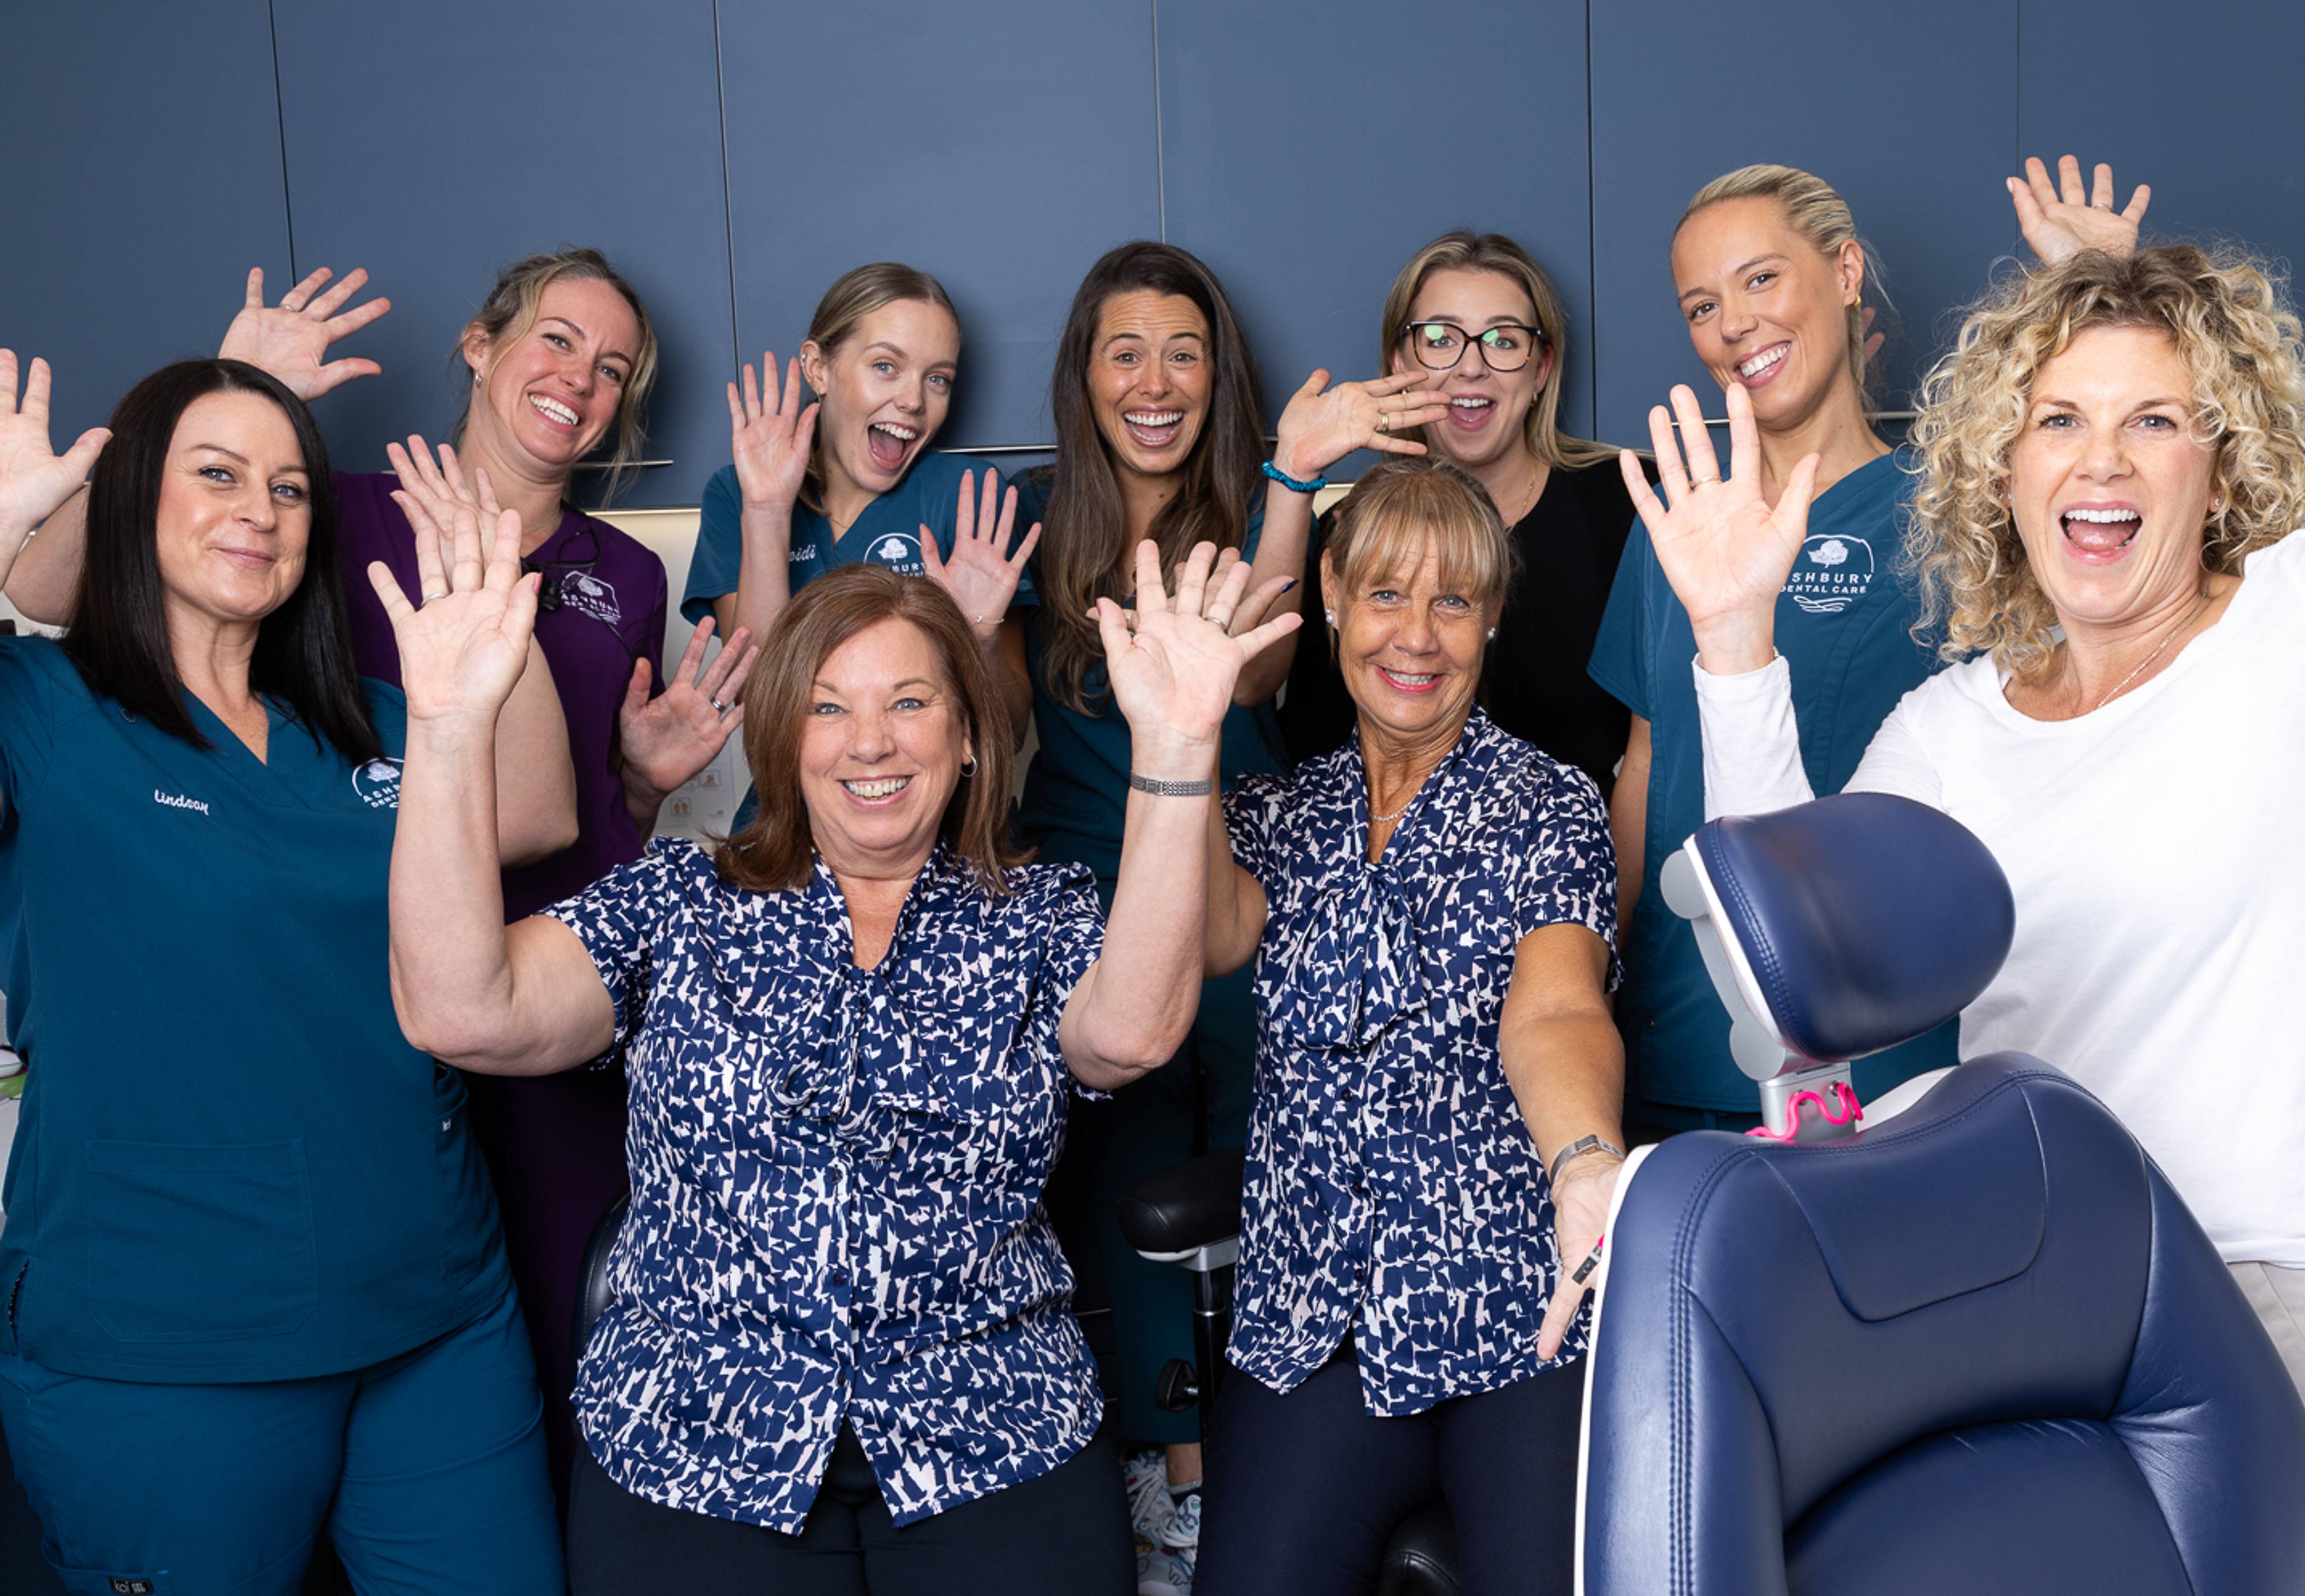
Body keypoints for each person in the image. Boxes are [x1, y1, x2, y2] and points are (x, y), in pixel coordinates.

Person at [1626, 239, 2305, 1545]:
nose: (2102, 458)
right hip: (2022, 1293)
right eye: (2060, 421)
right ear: (2006, 466)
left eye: (2153, 419)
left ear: (2220, 462)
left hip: (2274, 1291)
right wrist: (1735, 634)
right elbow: (1794, 949)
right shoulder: (1952, 729)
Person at [374, 520, 1300, 1592]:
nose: (872, 741)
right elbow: (459, 1009)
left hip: (990, 1421)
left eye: (909, 701)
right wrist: (443, 726)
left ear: (967, 734)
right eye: (830, 705)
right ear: (786, 738)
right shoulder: (682, 900)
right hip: (694, 1428)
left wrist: (1181, 740)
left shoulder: (1042, 915)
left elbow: (1131, 1031)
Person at [1, 250, 751, 1492]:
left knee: (555, 1299)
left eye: (614, 366)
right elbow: (60, 587)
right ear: (477, 343)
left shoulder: (615, 573)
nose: (582, 378)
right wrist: (236, 384)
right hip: (349, 1001)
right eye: (557, 339)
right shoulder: (325, 510)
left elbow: (544, 810)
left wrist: (636, 780)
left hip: (539, 990)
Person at [0, 352, 576, 1592]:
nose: (260, 510)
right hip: (168, 1340)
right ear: (133, 499)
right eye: (216, 475)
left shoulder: (360, 722)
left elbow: (531, 811)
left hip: (435, 1312)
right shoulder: (42, 711)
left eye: (289, 488)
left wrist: (494, 619)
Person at [1008, 240, 1441, 1586]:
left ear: (1221, 374)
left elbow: (1249, 676)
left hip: (1248, 882)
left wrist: (1294, 484)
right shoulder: (1023, 527)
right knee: (1131, 1165)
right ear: (1083, 374)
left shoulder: (1252, 504)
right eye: (1124, 350)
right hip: (1089, 899)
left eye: (1184, 352)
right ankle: (1175, 1483)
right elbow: (985, 724)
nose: (1155, 380)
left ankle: (1290, 1450)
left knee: (1281, 1148)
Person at [1588, 157, 2147, 1138]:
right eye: (1702, 304)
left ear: (1846, 272)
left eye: (1763, 278)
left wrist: (2097, 302)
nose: (1735, 325)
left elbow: (2131, 508)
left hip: (1892, 1059)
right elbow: (1645, 761)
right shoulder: (1682, 517)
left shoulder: (1959, 508)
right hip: (1678, 1039)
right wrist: (1594, 976)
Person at [1194, 457, 1624, 1596]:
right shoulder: (1276, 812)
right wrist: (1184, 725)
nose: (1417, 636)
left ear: (1491, 615)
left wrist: (1584, 1162)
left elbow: (1558, 1006)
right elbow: (1202, 938)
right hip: (1310, 1322)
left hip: (1516, 1301)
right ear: (1331, 595)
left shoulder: (1548, 803)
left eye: (1453, 600)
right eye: (1387, 593)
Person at [1282, 230, 1645, 796]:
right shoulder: (1353, 531)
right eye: (1440, 337)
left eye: (1503, 340)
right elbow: (1312, 745)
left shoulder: (1627, 505)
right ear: (1400, 360)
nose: (1470, 367)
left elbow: (1661, 747)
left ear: (1541, 369)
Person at [687, 262, 1037, 745]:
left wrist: (980, 638)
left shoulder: (973, 497)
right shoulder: (739, 493)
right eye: (885, 366)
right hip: (795, 808)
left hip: (948, 812)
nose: (913, 400)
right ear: (818, 367)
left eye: (938, 379)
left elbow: (1012, 732)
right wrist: (767, 514)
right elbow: (758, 703)